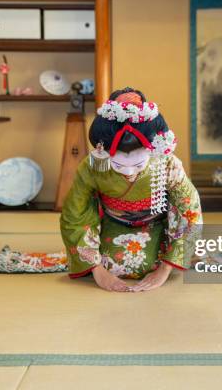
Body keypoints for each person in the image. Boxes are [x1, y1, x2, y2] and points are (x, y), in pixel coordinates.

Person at [60, 87, 202, 292]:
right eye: (118, 165)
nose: (128, 172)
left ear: (152, 150)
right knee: (112, 262)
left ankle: (167, 261)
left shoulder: (167, 162)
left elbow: (190, 212)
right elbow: (75, 215)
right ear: (103, 151)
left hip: (157, 226)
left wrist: (164, 270)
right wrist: (98, 271)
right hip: (113, 224)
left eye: (138, 165)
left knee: (153, 262)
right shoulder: (92, 165)